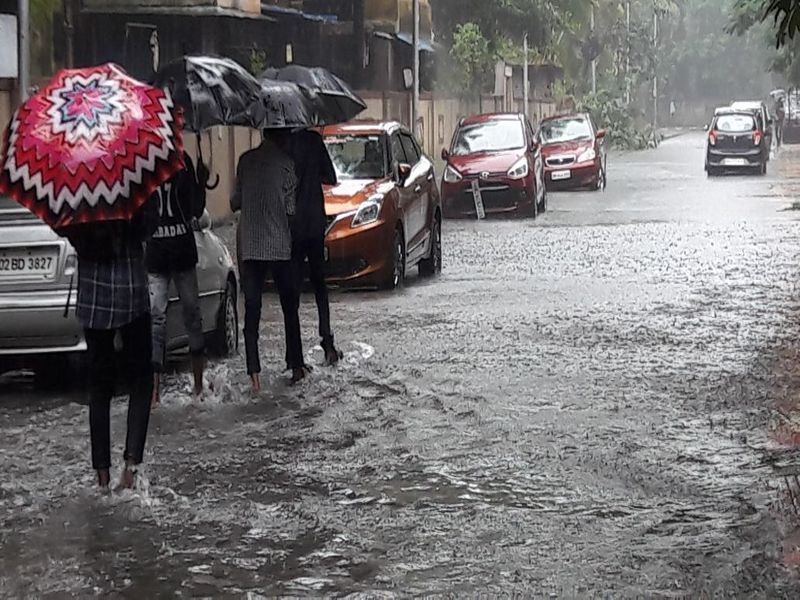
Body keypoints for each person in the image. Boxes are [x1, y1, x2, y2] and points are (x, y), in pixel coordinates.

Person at [66, 198, 157, 491]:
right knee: (141, 382)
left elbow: (65, 229)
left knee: (99, 388)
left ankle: (102, 477)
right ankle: (130, 469)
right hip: (131, 292)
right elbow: (149, 226)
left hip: (94, 298)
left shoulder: (77, 187)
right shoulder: (135, 175)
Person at [231, 129, 305, 391]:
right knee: (289, 309)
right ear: (282, 137)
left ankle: (254, 376)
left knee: (252, 313)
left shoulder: (244, 161)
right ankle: (296, 366)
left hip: (251, 247)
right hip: (279, 247)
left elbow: (234, 203)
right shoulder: (287, 166)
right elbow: (290, 210)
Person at [146, 152, 209, 406]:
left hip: (181, 254)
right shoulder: (147, 163)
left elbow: (195, 209)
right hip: (157, 256)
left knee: (192, 315)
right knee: (156, 320)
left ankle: (198, 386)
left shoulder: (183, 162)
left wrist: (200, 183)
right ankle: (154, 393)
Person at [288, 129, 342, 366]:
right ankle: (328, 343)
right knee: (320, 285)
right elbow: (331, 176)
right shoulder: (313, 140)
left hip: (292, 225)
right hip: (315, 223)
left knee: (292, 289)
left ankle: (294, 355)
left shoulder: (284, 145)